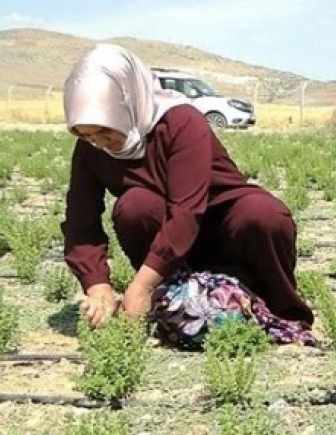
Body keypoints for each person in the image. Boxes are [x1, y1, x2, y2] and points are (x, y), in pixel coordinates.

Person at [60, 43, 315, 349]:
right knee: (135, 205)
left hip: (224, 230)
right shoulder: (91, 148)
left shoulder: (180, 122)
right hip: (168, 250)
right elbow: (80, 222)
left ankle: (277, 309)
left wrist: (139, 286)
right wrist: (97, 285)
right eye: (86, 135)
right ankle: (172, 301)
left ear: (128, 105)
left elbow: (186, 212)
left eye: (104, 132)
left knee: (264, 214)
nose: (99, 143)